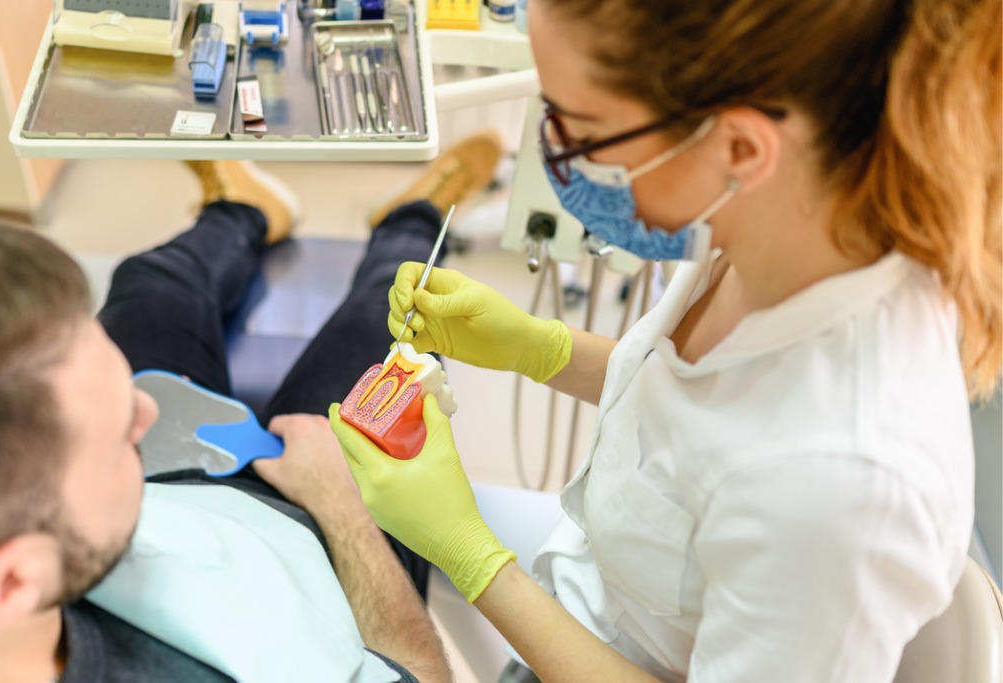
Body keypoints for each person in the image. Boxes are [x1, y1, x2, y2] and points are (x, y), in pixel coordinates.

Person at [328, 0, 1002, 681]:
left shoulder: (843, 484)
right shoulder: (774, 219)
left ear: (739, 147)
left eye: (580, 129)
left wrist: (471, 557)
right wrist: (535, 347)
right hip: (600, 577)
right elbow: (692, 410)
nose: (554, 154)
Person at [0, 131, 504, 683]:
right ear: (15, 581)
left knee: (152, 284)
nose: (148, 407)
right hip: (323, 538)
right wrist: (345, 511)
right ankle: (412, 222)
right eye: (116, 434)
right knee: (397, 315)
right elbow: (419, 675)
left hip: (172, 499)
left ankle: (241, 213)